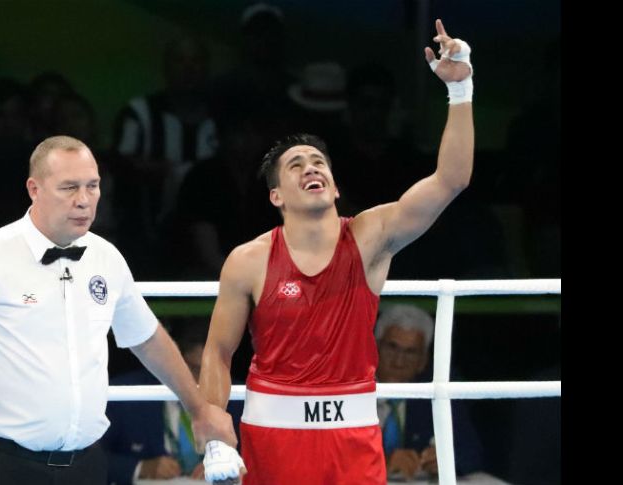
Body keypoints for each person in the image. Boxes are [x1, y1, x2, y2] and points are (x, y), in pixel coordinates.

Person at [199, 19, 474, 485]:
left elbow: (451, 180)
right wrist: (214, 435)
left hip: (352, 433)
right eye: (296, 164)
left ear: (334, 183)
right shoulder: (248, 260)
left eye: (319, 161)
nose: (311, 167)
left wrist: (461, 88)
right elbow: (217, 353)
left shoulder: (370, 236)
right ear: (276, 196)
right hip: (272, 434)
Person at [0, 135, 237, 485]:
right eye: (69, 187)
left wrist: (199, 408)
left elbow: (147, 340)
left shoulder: (106, 258)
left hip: (87, 464)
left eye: (92, 186)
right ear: (34, 189)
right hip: (2, 465)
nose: (83, 200)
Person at [102, 319, 243, 485]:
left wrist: (232, 465)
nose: (201, 381)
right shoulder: (126, 392)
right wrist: (140, 467)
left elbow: (261, 457)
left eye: (210, 371)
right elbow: (88, 458)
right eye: (194, 369)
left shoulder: (239, 395)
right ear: (173, 364)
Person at [374, 305, 483, 480]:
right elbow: (328, 454)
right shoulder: (347, 390)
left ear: (423, 360)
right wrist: (380, 462)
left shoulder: (438, 393)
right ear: (374, 347)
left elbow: (472, 453)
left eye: (411, 352)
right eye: (392, 348)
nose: (399, 362)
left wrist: (447, 459)